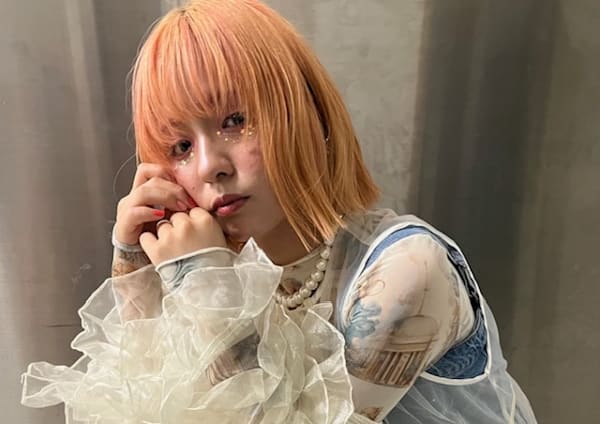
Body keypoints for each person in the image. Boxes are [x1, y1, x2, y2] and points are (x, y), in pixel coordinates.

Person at [21, 1, 537, 423]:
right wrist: (136, 275)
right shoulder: (229, 271)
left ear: (306, 110)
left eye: (235, 120)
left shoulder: (405, 272)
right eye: (180, 146)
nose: (209, 166)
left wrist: (205, 285)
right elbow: (148, 407)